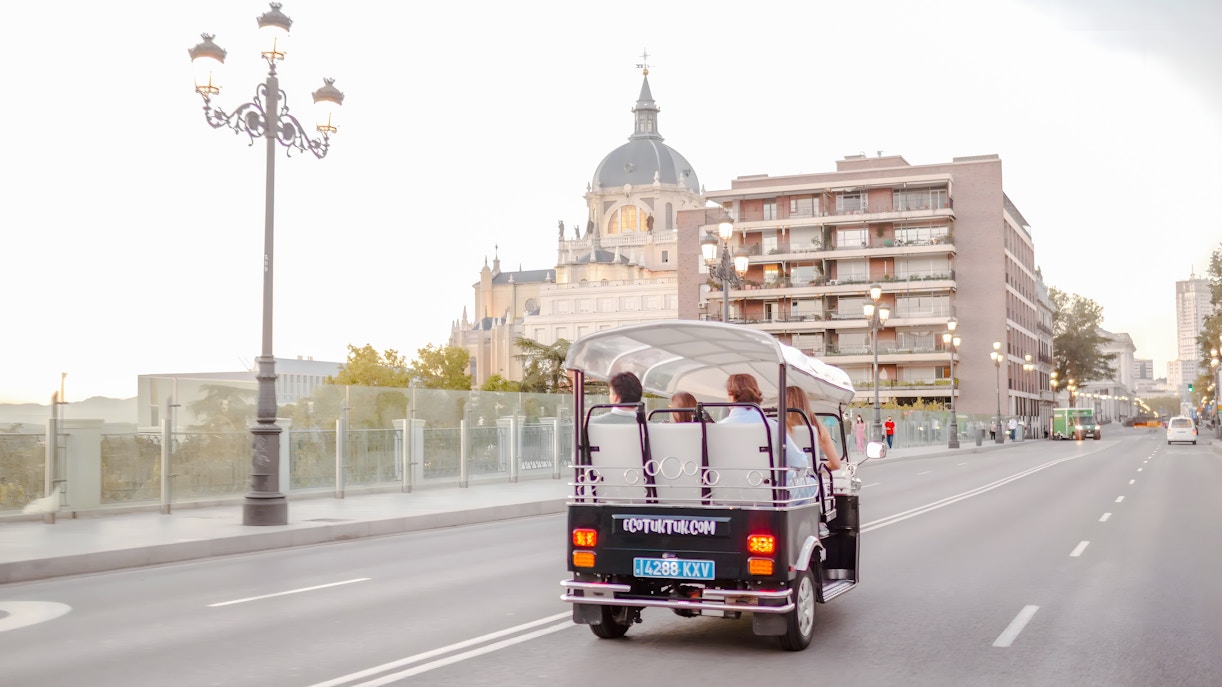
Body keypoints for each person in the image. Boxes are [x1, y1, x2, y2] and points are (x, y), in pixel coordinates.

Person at [785, 386, 841, 470]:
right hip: (810, 476)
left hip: (784, 476)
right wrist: (816, 471)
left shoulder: (776, 429)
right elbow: (836, 464)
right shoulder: (818, 429)